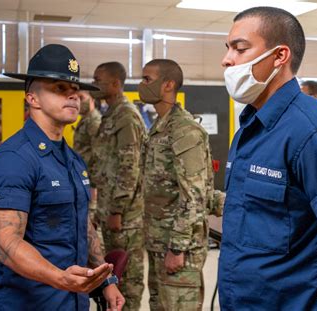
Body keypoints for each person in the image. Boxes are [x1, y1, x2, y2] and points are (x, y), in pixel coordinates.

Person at [219, 7, 317, 310]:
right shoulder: (251, 127)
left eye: (240, 49)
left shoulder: (314, 131)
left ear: (279, 56)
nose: (227, 59)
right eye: (228, 49)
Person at [0, 44, 124, 310]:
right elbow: (7, 245)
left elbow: (83, 225)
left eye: (74, 89)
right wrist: (61, 279)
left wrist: (108, 281)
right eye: (59, 88)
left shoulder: (73, 159)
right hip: (29, 304)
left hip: (72, 302)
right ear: (32, 98)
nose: (72, 95)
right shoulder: (13, 159)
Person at [139, 59, 221, 311]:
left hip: (177, 248)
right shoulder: (160, 127)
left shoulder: (185, 131)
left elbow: (194, 195)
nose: (141, 85)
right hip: (158, 241)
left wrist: (177, 247)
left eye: (147, 80)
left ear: (168, 85)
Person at [90, 61, 146, 310]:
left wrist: (117, 210)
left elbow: (129, 167)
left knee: (128, 279)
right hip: (108, 208)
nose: (93, 84)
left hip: (125, 216)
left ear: (115, 83)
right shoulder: (110, 114)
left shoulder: (126, 115)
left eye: (98, 79)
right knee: (113, 277)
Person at [73, 91, 102, 224]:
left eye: (82, 97)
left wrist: (94, 186)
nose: (78, 101)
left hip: (91, 184)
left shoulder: (94, 121)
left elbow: (99, 154)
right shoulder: (86, 120)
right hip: (84, 179)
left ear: (92, 99)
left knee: (90, 224)